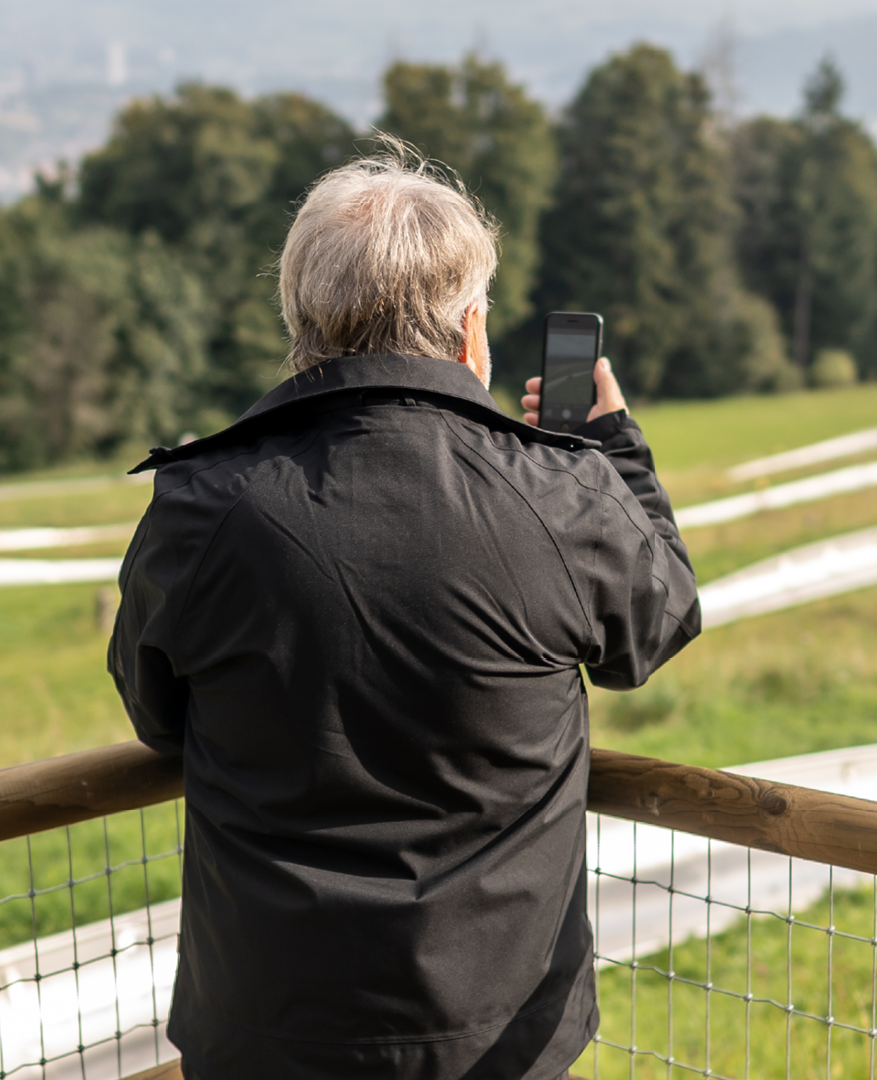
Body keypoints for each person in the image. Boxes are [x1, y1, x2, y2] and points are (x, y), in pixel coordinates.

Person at [108, 151, 700, 1080]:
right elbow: (656, 623)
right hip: (495, 1042)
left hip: (265, 1035)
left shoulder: (201, 506)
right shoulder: (561, 494)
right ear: (472, 333)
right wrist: (611, 449)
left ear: (302, 326)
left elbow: (155, 716)